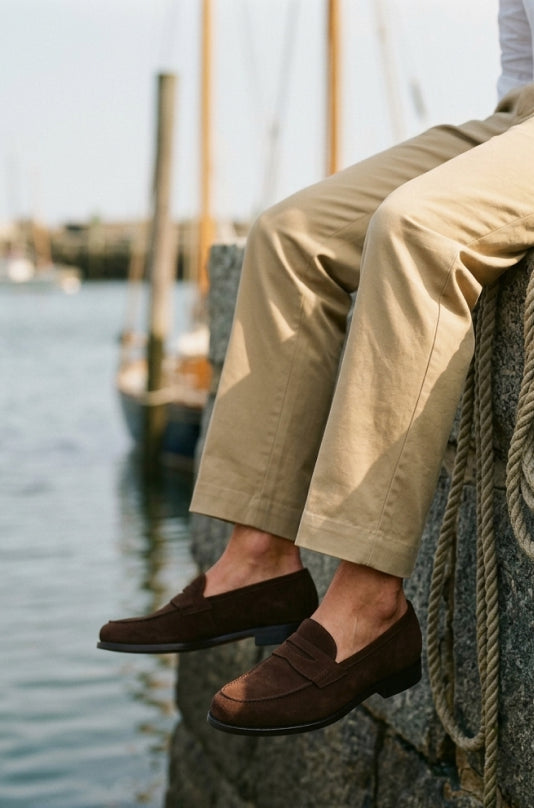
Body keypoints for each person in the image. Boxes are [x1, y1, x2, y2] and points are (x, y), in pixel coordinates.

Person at [98, 0, 534, 736]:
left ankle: (369, 605)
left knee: (418, 230)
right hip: (519, 118)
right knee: (289, 235)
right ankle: (257, 559)